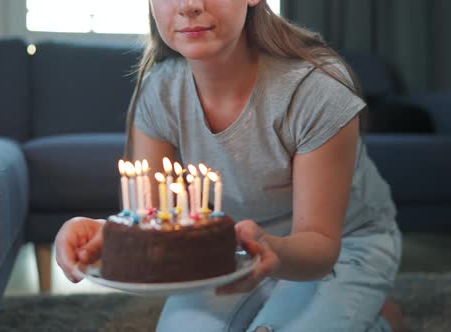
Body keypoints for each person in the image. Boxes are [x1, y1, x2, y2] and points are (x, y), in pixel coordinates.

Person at [55, 0, 408, 331]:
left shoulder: (315, 88)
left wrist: (271, 250)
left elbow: (320, 245)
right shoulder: (159, 90)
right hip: (233, 246)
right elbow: (154, 221)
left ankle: (376, 318)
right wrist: (110, 236)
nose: (189, 5)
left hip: (341, 247)